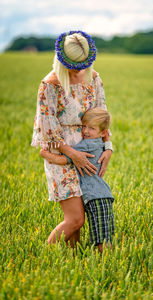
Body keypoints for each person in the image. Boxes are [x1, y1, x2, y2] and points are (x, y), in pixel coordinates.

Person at [31, 30, 113, 248]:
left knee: (80, 222)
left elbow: (102, 114)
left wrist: (108, 147)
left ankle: (72, 263)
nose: (79, 70)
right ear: (61, 60)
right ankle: (46, 255)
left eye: (83, 65)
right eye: (75, 66)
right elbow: (48, 132)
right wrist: (73, 154)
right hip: (62, 152)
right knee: (75, 219)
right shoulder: (49, 85)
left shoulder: (94, 77)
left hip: (90, 150)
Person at [40, 107, 114, 252]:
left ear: (103, 133)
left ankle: (104, 263)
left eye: (91, 128)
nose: (86, 131)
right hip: (99, 196)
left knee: (101, 238)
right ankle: (94, 259)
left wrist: (45, 154)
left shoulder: (88, 145)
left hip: (97, 197)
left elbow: (64, 159)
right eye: (84, 126)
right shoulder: (99, 143)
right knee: (102, 235)